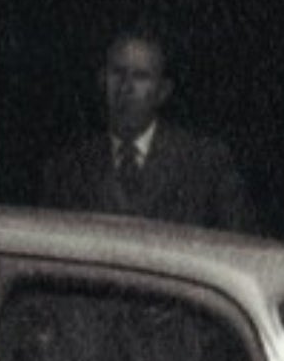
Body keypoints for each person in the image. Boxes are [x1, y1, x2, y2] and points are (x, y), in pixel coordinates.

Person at [39, 29, 255, 233]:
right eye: (118, 73)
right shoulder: (67, 168)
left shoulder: (205, 164)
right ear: (102, 80)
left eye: (141, 76)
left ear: (163, 91)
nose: (126, 88)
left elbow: (238, 247)